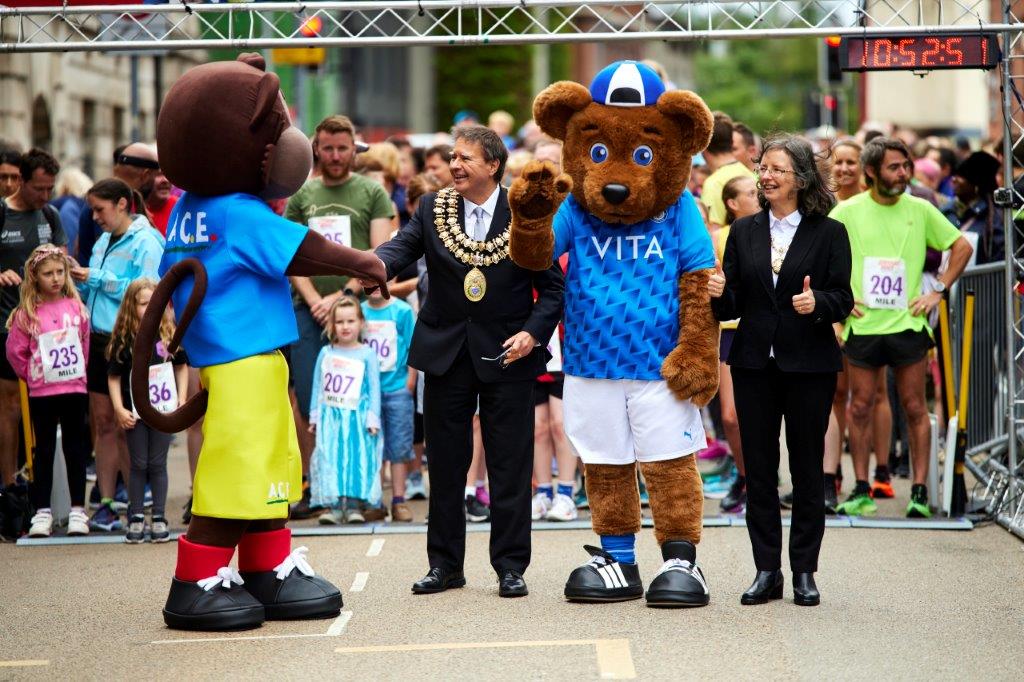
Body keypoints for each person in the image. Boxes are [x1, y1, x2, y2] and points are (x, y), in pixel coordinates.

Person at [371, 125, 563, 598]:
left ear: (493, 165)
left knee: (510, 465)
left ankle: (510, 566)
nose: (454, 165)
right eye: (453, 157)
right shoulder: (432, 208)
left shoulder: (526, 212)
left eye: (465, 159)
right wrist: (366, 265)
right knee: (448, 464)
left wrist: (531, 333)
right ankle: (445, 566)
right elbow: (399, 250)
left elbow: (555, 291)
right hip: (446, 353)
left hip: (507, 354)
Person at [710, 134, 853, 607]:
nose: (765, 176)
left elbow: (843, 298)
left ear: (802, 179)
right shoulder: (745, 231)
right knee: (761, 472)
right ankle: (766, 569)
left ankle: (804, 571)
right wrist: (717, 292)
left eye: (776, 169)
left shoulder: (829, 232)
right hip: (753, 362)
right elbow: (733, 303)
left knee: (808, 470)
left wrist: (818, 304)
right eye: (762, 167)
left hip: (809, 363)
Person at [830, 137, 973, 518]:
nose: (904, 173)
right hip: (864, 325)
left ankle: (921, 491)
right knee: (859, 406)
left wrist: (938, 290)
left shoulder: (921, 209)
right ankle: (861, 487)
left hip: (908, 324)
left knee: (913, 406)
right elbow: (819, 255)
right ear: (872, 172)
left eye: (906, 166)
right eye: (895, 167)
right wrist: (840, 302)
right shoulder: (847, 211)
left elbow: (961, 247)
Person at [285, 115, 394, 521]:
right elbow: (290, 254)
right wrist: (314, 298)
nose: (334, 156)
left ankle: (366, 489)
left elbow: (380, 253)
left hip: (356, 314)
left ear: (354, 149)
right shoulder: (302, 196)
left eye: (342, 148)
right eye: (327, 148)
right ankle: (317, 487)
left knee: (363, 402)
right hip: (306, 313)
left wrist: (343, 296)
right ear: (317, 148)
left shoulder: (372, 192)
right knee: (313, 402)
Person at [73, 178, 164, 531]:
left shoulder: (147, 241)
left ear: (123, 204)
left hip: (127, 340)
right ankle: (107, 503)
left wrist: (95, 278)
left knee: (130, 422)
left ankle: (137, 506)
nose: (95, 216)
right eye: (92, 210)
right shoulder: (103, 240)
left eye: (100, 209)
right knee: (104, 422)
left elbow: (148, 292)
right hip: (97, 339)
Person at [4, 244, 90, 537]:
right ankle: (43, 511)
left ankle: (78, 510)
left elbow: (84, 344)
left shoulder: (77, 308)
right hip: (42, 391)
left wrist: (79, 374)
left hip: (74, 388)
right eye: (48, 273)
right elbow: (15, 351)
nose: (55, 278)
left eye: (59, 272)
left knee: (76, 447)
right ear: (35, 276)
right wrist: (31, 375)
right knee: (44, 450)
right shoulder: (27, 313)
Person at [1, 148, 66, 496]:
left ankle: (41, 484)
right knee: (10, 404)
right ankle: (9, 484)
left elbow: (63, 264)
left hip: (48, 328)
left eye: (50, 189)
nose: (44, 196)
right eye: (38, 189)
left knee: (47, 404)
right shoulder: (3, 213)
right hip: (6, 324)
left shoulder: (51, 216)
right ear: (20, 181)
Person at [106, 278, 188, 544]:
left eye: (155, 302)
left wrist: (182, 398)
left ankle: (160, 517)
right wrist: (119, 408)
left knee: (157, 463)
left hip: (163, 410)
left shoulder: (167, 333)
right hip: (136, 412)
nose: (150, 308)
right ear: (132, 307)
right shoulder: (126, 338)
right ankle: (137, 516)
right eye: (143, 304)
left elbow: (181, 366)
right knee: (138, 463)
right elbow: (114, 376)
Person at [309, 296, 381, 525]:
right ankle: (333, 504)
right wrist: (315, 415)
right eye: (340, 322)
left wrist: (373, 416)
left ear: (361, 323)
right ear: (332, 325)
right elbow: (317, 386)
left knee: (355, 457)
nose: (345, 326)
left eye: (350, 321)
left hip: (357, 418)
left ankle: (352, 504)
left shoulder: (367, 353)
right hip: (331, 417)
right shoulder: (326, 353)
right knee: (331, 457)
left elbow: (374, 387)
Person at [715, 174, 760, 514]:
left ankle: (761, 481)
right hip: (729, 329)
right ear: (732, 203)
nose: (757, 195)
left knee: (762, 413)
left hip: (763, 327)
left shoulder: (773, 230)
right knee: (730, 417)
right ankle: (745, 476)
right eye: (749, 192)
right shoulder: (718, 238)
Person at [362, 282, 417, 522]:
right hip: (366, 394)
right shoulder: (359, 311)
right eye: (367, 279)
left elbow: (414, 347)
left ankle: (398, 500)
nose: (374, 285)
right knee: (373, 446)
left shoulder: (402, 311)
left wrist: (410, 381)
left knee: (399, 445)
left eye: (379, 279)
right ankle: (375, 500)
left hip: (397, 388)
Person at [77, 143, 159, 264]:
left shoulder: (129, 204)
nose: (96, 217)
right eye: (157, 175)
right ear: (146, 175)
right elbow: (109, 263)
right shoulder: (104, 205)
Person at [700, 112, 756, 231]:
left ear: (703, 146)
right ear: (731, 141)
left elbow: (713, 233)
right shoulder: (751, 176)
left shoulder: (713, 184)